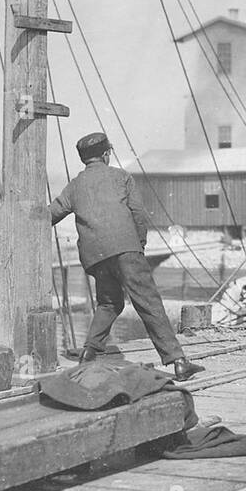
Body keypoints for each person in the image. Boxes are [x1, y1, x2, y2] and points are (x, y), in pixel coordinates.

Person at [49, 131, 204, 381]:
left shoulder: (74, 186)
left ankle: (89, 353)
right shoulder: (121, 177)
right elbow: (138, 215)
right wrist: (138, 246)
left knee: (110, 303)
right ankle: (178, 361)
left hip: (95, 256)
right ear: (106, 153)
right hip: (126, 249)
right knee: (148, 302)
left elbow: (51, 214)